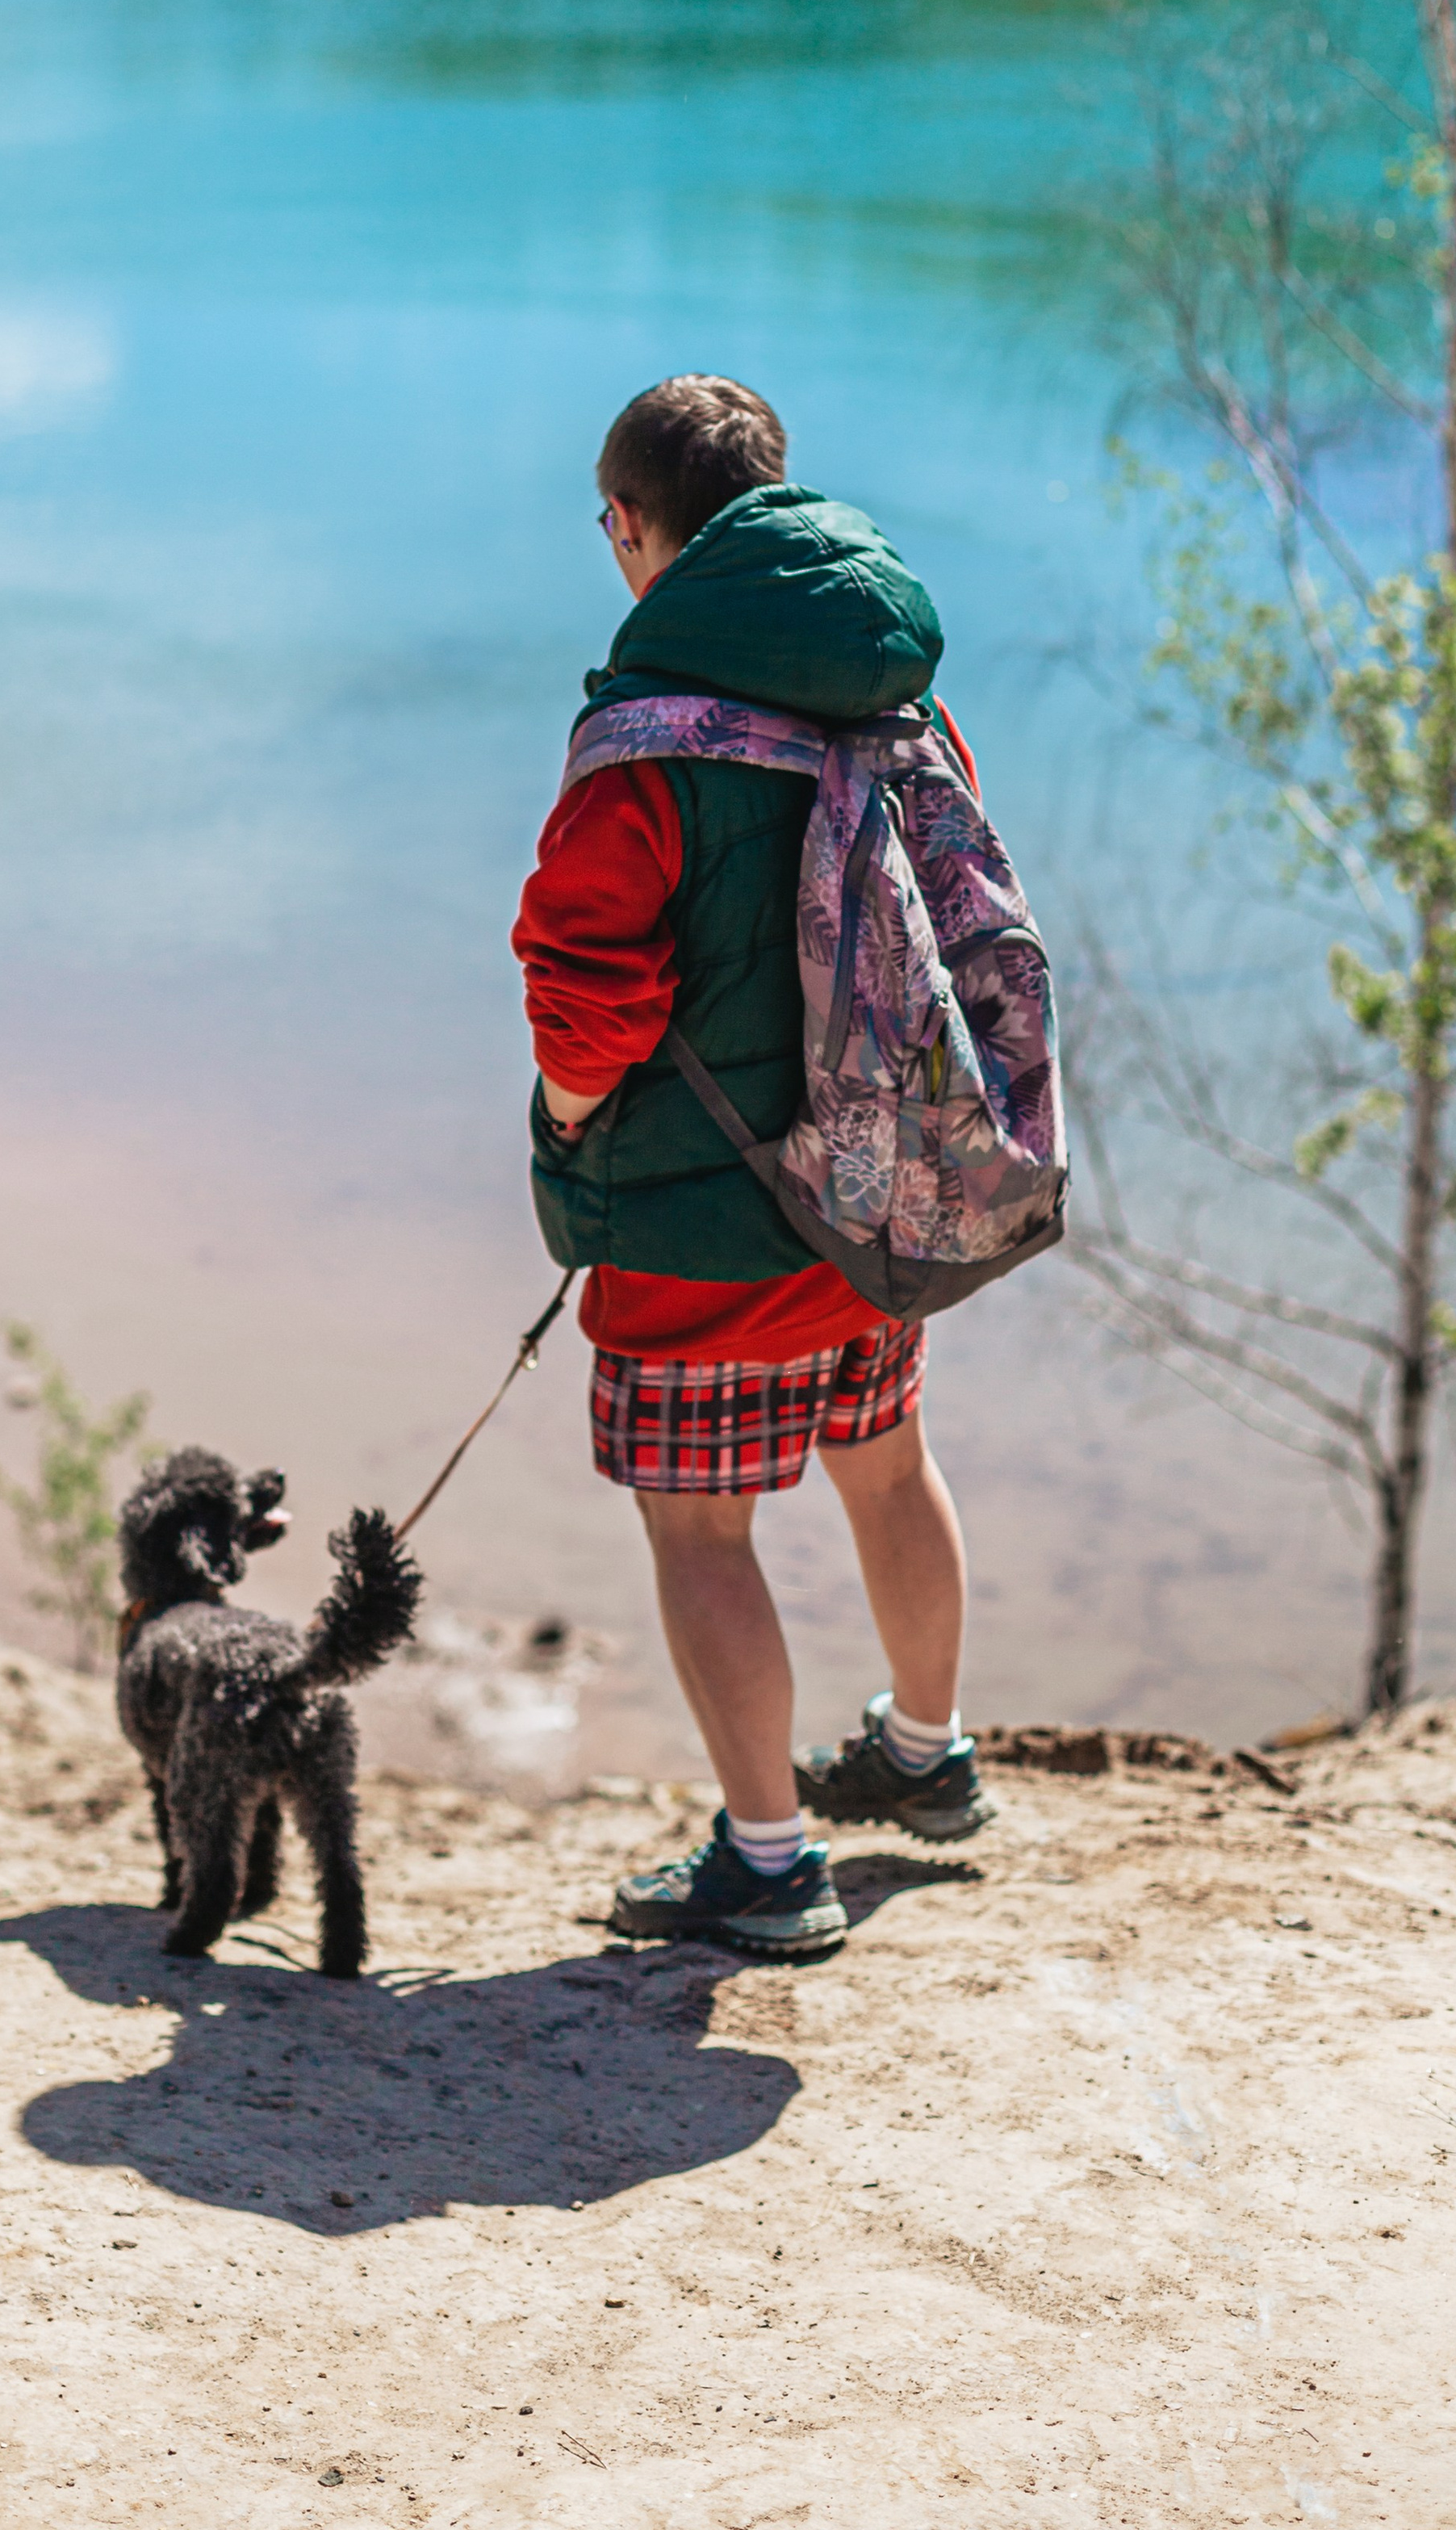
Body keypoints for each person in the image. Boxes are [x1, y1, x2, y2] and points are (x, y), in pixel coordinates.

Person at [512, 375, 994, 1961]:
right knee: (885, 1460)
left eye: (607, 525)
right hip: (871, 1194)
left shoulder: (641, 741)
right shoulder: (894, 687)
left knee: (699, 1528)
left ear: (634, 527)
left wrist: (572, 1121)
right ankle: (923, 1760)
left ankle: (772, 1866)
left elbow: (585, 1001)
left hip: (700, 1224)